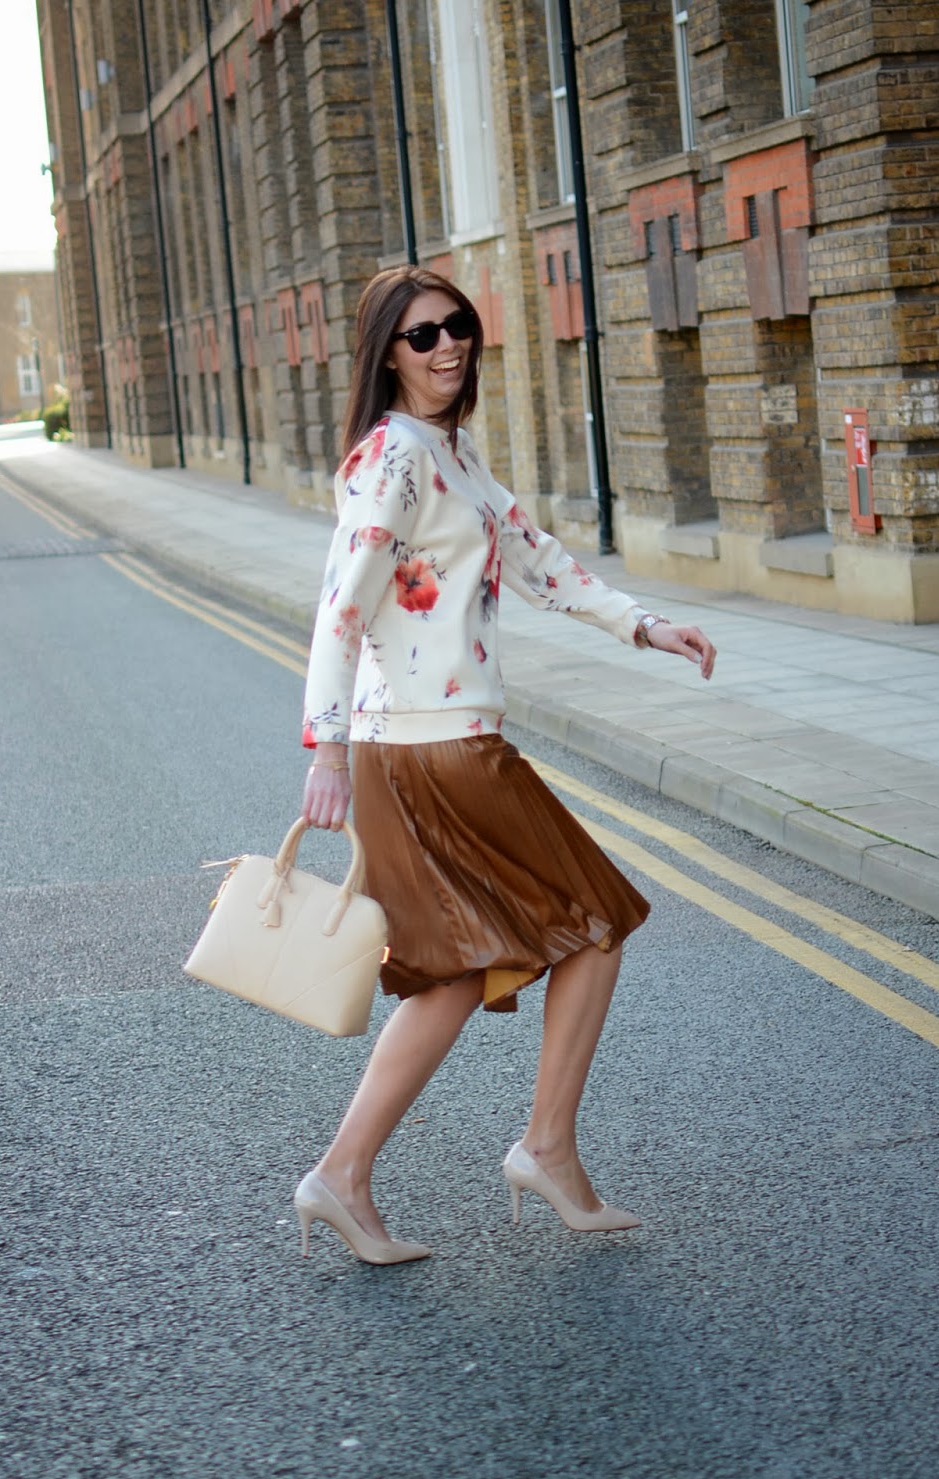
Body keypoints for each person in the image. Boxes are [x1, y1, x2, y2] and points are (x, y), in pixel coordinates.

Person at [295, 266, 716, 1265]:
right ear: (387, 354)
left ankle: (343, 1177)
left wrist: (643, 625)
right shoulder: (394, 459)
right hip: (425, 747)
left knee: (451, 975)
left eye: (458, 326)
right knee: (595, 920)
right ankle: (544, 1149)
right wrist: (327, 747)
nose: (447, 345)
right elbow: (340, 609)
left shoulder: (451, 450)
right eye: (422, 335)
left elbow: (534, 558)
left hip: (441, 739)